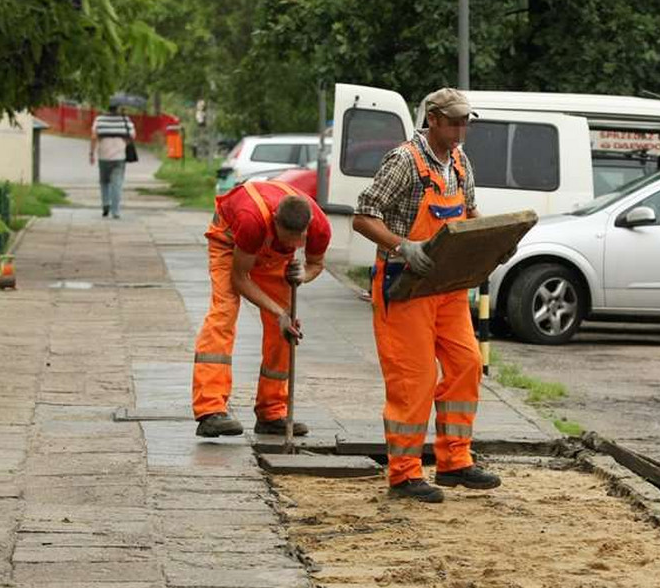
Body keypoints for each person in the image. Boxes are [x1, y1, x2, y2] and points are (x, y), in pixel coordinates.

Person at [353, 88, 501, 503]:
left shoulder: (458, 161)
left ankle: (455, 461)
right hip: (406, 286)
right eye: (454, 122)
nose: (461, 130)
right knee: (414, 380)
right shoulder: (404, 161)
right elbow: (363, 216)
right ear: (432, 118)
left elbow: (469, 213)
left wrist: (489, 241)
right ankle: (404, 474)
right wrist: (403, 246)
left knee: (467, 364)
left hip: (448, 286)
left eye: (465, 122)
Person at [191, 178, 330, 438]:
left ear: (308, 228)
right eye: (284, 239)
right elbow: (240, 278)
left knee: (285, 330)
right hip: (230, 243)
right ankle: (210, 411)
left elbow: (315, 264)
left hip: (270, 257)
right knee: (223, 314)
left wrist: (303, 275)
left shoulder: (320, 227)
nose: (290, 246)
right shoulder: (252, 219)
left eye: (295, 243)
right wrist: (279, 313)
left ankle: (271, 412)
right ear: (275, 220)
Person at [89, 102, 136, 219]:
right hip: (119, 157)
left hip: (103, 156)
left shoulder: (99, 119)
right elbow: (133, 135)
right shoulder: (125, 120)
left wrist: (91, 153)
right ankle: (116, 211)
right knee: (117, 184)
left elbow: (94, 137)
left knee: (104, 181)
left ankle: (105, 204)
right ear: (118, 108)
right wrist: (124, 142)